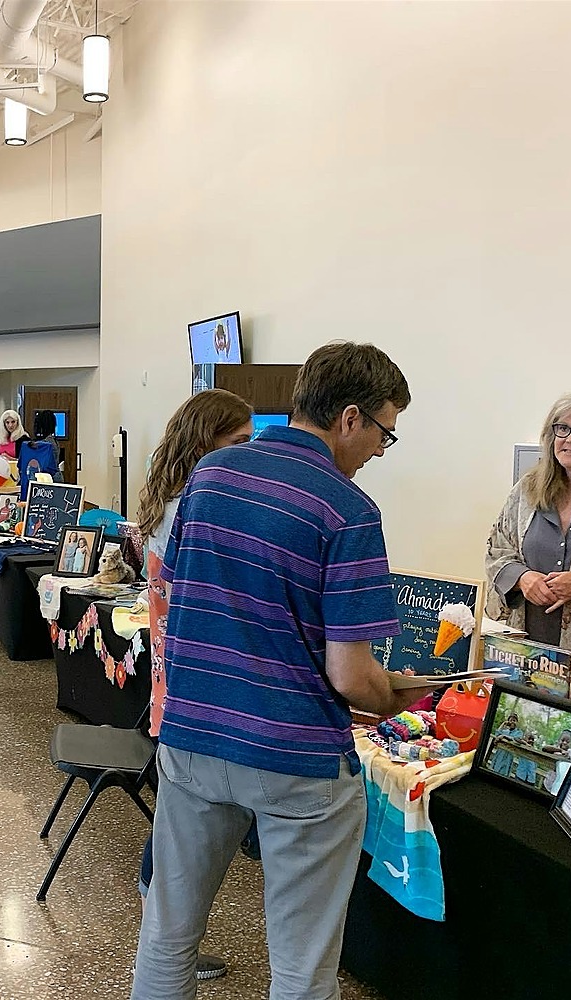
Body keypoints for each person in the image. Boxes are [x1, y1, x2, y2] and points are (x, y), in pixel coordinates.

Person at [131, 341, 421, 1000]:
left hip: (195, 738)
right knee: (301, 965)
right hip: (297, 759)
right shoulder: (350, 511)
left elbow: (175, 587)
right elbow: (351, 677)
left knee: (168, 935)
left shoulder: (209, 475)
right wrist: (397, 697)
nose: (380, 449)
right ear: (350, 417)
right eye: (385, 432)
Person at [133, 387, 254, 982]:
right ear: (205, 444)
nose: (248, 454)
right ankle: (167, 934)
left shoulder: (167, 500)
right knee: (181, 839)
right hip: (192, 684)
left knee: (172, 824)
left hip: (170, 677)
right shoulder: (194, 508)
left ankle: (162, 923)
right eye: (238, 443)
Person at [486, 388, 571, 655]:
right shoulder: (527, 489)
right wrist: (522, 578)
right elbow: (497, 549)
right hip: (526, 646)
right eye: (562, 429)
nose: (570, 439)